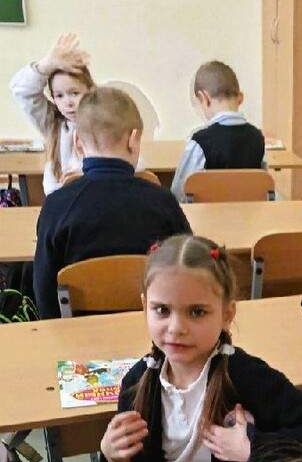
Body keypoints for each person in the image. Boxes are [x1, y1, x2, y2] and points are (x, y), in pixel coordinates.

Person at [94, 235, 302, 462]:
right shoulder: (137, 382)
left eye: (197, 312)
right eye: (162, 310)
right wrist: (115, 459)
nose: (176, 327)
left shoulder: (246, 376)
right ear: (145, 308)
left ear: (227, 314)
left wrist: (254, 447)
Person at [32, 86, 190, 320]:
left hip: (78, 334)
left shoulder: (57, 205)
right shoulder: (163, 201)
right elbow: (190, 266)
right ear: (134, 140)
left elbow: (43, 289)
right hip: (154, 330)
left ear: (77, 143)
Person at [10, 32, 94, 194]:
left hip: (94, 201)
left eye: (74, 93)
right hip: (60, 202)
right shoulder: (53, 124)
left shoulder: (103, 123)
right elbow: (21, 91)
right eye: (59, 96)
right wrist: (45, 66)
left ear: (90, 91)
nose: (68, 102)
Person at [171, 60, 265, 201]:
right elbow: (264, 186)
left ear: (204, 98)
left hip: (207, 215)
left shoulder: (199, 142)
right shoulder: (258, 138)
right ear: (240, 98)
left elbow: (179, 192)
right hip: (249, 214)